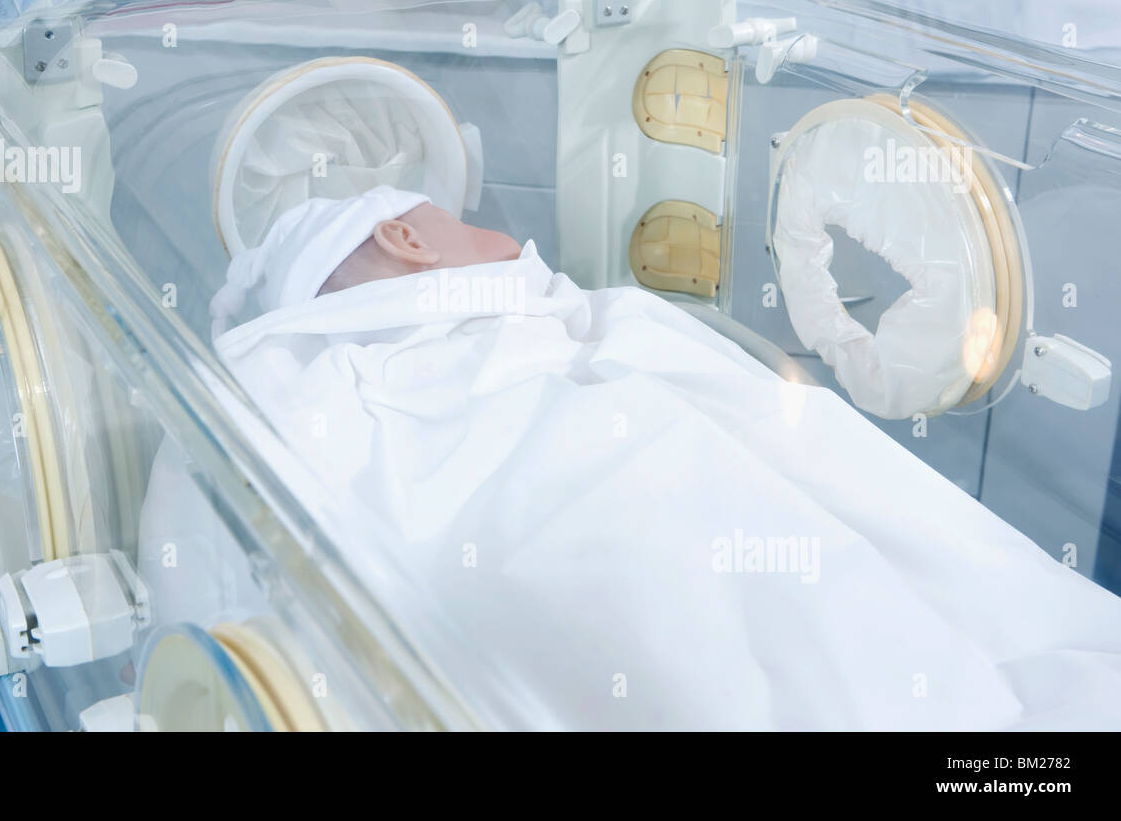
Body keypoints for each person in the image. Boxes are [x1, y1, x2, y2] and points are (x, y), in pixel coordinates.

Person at [189, 185, 1121, 729]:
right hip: (612, 515)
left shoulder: (312, 384)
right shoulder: (406, 366)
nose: (508, 238)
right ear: (406, 239)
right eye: (461, 217)